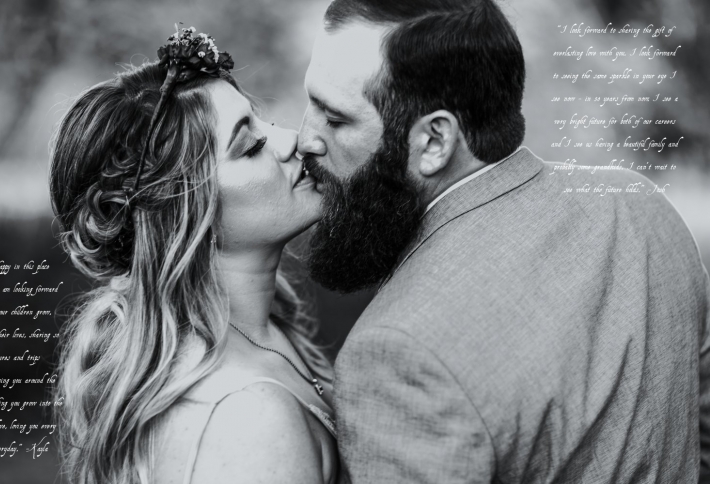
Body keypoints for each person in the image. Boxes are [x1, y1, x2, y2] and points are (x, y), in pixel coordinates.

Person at [297, 0, 710, 482]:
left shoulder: (396, 355)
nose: (305, 138)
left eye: (335, 118)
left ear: (434, 141)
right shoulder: (640, 205)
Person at [50, 27, 338, 484]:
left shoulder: (262, 333)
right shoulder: (247, 422)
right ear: (184, 214)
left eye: (262, 122)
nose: (291, 142)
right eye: (251, 146)